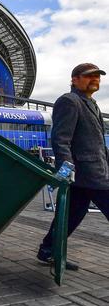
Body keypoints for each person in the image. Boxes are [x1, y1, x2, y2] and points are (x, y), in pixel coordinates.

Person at [37, 63, 109, 270]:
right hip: (86, 175)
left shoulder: (92, 104)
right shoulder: (69, 101)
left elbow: (95, 143)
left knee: (70, 216)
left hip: (94, 172)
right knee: (72, 214)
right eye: (89, 76)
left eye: (97, 76)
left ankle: (47, 250)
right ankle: (48, 249)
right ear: (74, 79)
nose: (95, 79)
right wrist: (66, 169)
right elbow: (61, 139)